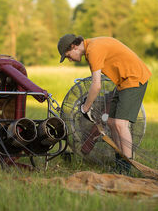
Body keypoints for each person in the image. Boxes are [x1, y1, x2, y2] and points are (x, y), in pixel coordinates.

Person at [57, 34, 151, 173]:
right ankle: (119, 164)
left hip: (134, 78)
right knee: (112, 122)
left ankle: (127, 169)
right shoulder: (91, 49)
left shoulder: (93, 50)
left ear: (74, 46)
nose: (69, 60)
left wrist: (85, 108)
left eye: (68, 56)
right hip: (123, 83)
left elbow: (96, 85)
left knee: (120, 123)